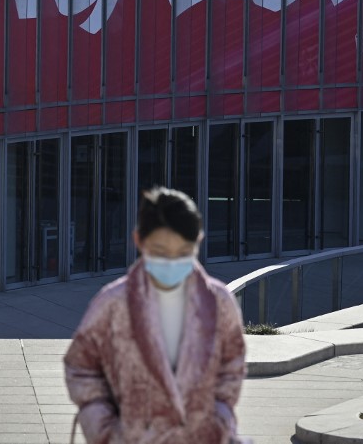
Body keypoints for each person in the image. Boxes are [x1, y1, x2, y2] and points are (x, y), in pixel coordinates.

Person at [64, 187, 247, 444]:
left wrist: (220, 417)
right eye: (161, 252)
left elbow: (232, 365)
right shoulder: (113, 303)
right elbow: (80, 367)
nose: (172, 261)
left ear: (198, 242)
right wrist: (104, 430)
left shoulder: (218, 302)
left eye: (184, 252)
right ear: (139, 240)